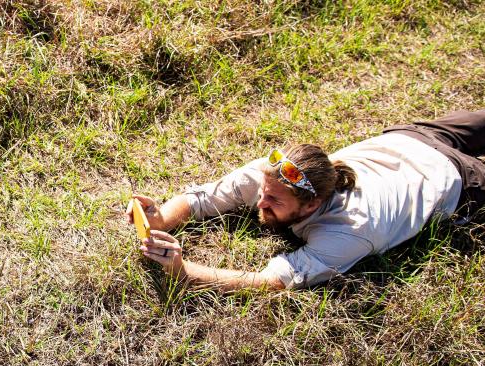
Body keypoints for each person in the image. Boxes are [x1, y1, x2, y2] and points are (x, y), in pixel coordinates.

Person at [126, 110, 485, 291]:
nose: (261, 203)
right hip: (409, 139)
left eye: (274, 202)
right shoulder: (275, 175)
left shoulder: (348, 230)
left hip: (455, 179)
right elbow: (202, 198)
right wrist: (162, 219)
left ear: (312, 206)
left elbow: (270, 283)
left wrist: (184, 272)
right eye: (263, 194)